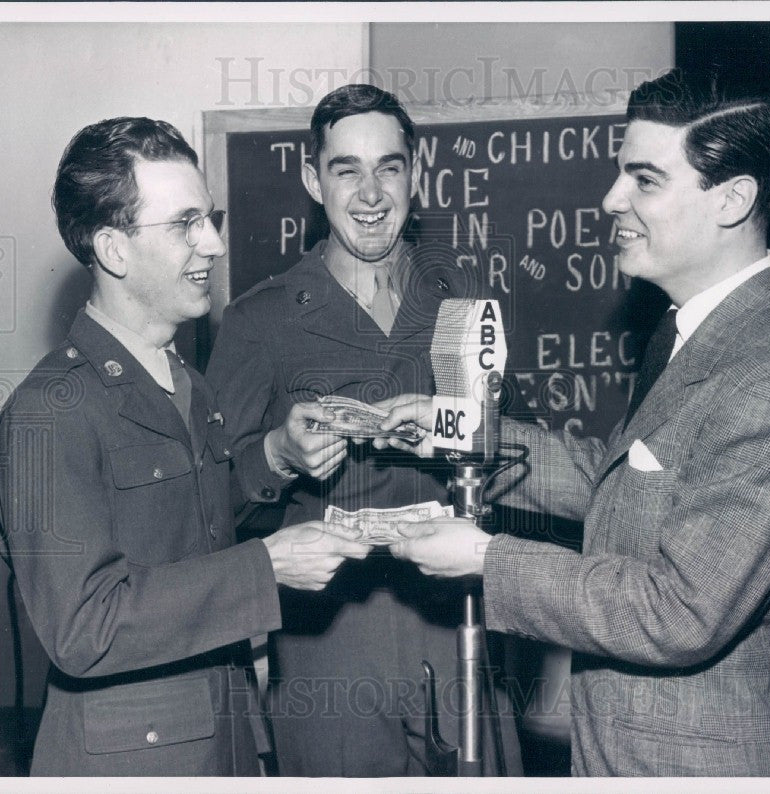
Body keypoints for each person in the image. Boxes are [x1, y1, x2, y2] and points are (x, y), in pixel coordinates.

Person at [377, 69, 770, 776]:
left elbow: (678, 611)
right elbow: (625, 482)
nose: (610, 199)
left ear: (733, 199)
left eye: (645, 180)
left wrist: (484, 559)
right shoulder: (693, 330)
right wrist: (460, 431)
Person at [0, 117, 369, 776]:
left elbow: (192, 525)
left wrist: (274, 454)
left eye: (210, 218)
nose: (214, 244)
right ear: (113, 248)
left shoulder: (182, 380)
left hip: (226, 739)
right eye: (185, 224)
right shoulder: (50, 414)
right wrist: (266, 568)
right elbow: (84, 629)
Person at [205, 84, 522, 776]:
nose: (371, 193)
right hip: (330, 653)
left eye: (390, 167)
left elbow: (515, 460)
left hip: (458, 626)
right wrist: (277, 455)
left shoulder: (463, 302)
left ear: (419, 172)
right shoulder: (259, 321)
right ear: (312, 179)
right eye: (346, 169)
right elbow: (208, 509)